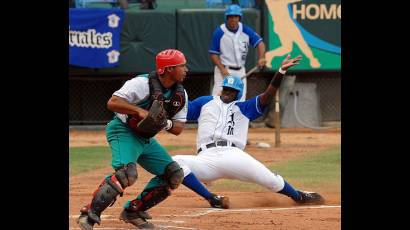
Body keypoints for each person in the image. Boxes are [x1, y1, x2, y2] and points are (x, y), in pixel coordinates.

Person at [77, 49, 227, 230]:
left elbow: (178, 129)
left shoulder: (181, 95)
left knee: (174, 174)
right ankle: (89, 214)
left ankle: (133, 211)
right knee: (126, 173)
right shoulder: (141, 83)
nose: (186, 69)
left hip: (145, 138)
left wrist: (164, 123)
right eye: (182, 66)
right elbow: (112, 102)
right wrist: (138, 111)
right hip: (123, 130)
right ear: (168, 69)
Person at [173, 54, 325, 207]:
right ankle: (213, 198)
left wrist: (280, 72)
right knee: (175, 162)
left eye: (232, 91)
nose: (227, 93)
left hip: (233, 156)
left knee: (270, 180)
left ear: (238, 94)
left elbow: (267, 96)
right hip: (207, 158)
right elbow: (182, 111)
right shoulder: (205, 102)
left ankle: (298, 196)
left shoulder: (244, 107)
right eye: (226, 89)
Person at [209, 4, 266, 101]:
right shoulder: (219, 32)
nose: (233, 19)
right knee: (217, 99)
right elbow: (213, 53)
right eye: (231, 17)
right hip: (224, 70)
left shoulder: (245, 30)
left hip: (240, 71)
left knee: (239, 101)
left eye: (236, 16)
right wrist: (222, 69)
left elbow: (260, 43)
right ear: (227, 18)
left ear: (239, 18)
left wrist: (261, 57)